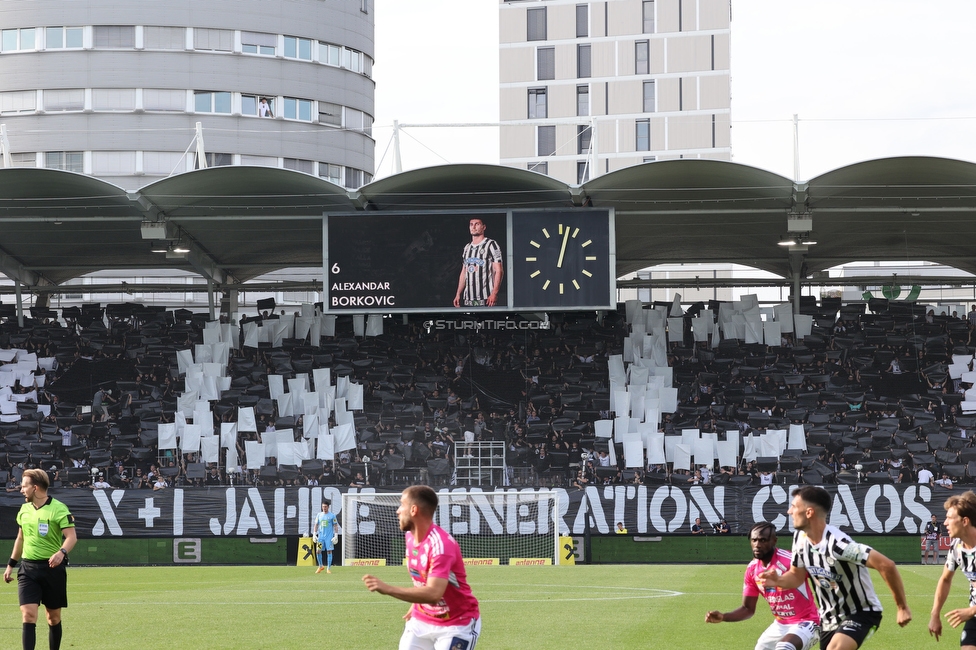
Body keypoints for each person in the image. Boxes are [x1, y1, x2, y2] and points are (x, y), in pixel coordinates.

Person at [761, 486, 912, 649]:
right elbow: (796, 576)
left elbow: (886, 565)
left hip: (861, 613)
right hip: (828, 619)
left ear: (809, 512)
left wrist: (902, 607)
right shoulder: (800, 537)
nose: (789, 511)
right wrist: (778, 580)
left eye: (794, 507)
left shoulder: (838, 545)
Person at [362, 486, 481, 649]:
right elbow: (422, 578)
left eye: (401, 504)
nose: (397, 511)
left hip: (456, 624)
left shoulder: (441, 546)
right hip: (421, 621)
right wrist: (416, 604)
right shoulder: (410, 537)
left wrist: (388, 589)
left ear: (413, 509)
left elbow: (433, 593)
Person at [706, 522, 820, 650]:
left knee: (785, 647)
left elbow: (821, 578)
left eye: (763, 540)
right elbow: (748, 609)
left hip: (807, 621)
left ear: (774, 541)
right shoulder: (752, 570)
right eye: (754, 540)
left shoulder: (790, 561)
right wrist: (723, 617)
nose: (757, 545)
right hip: (780, 624)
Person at [3, 468, 77, 650]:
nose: (21, 489)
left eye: (24, 486)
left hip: (52, 570)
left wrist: (61, 553)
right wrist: (11, 564)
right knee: (28, 615)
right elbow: (20, 538)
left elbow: (71, 537)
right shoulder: (24, 509)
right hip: (28, 569)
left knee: (53, 618)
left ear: (35, 488)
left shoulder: (59, 508)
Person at [929, 491, 976, 645]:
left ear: (965, 521)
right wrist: (935, 614)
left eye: (949, 518)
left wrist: (971, 611)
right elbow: (945, 579)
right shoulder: (956, 547)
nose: (945, 523)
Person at [453, 217, 503, 308]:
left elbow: (499, 270)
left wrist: (494, 293)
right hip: (468, 300)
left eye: (477, 224)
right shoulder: (467, 247)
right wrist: (458, 294)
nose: (474, 227)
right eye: (471, 224)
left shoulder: (491, 244)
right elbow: (464, 272)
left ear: (484, 227)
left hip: (487, 299)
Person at [313, 499, 338, 575]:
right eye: (323, 506)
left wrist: (336, 535)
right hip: (321, 537)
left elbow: (335, 525)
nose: (324, 508)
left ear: (328, 507)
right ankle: (320, 566)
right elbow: (316, 525)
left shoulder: (332, 515)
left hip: (329, 538)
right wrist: (314, 534)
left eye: (325, 506)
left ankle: (328, 568)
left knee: (329, 551)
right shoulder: (319, 515)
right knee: (318, 550)